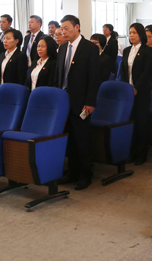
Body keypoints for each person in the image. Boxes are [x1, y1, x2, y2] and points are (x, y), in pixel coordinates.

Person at [57, 15, 100, 190]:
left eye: (66, 28)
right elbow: (59, 76)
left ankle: (85, 174)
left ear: (77, 27)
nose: (63, 32)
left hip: (82, 103)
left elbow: (94, 77)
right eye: (62, 29)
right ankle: (72, 171)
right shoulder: (62, 48)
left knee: (82, 139)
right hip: (64, 102)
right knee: (69, 139)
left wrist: (90, 102)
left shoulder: (90, 48)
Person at [119, 23, 152, 166]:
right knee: (130, 122)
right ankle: (131, 152)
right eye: (130, 32)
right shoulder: (127, 50)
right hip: (128, 92)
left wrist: (137, 88)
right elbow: (123, 70)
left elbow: (147, 72)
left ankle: (141, 154)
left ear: (141, 34)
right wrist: (125, 87)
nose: (131, 35)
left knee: (141, 123)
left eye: (134, 32)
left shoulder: (147, 51)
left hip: (141, 93)